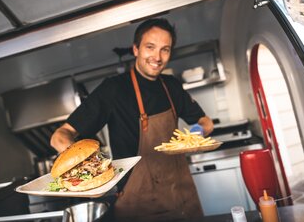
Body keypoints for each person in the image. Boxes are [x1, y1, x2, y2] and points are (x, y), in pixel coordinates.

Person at [50, 18, 214, 221]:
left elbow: (206, 122)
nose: (157, 57)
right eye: (150, 47)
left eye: (165, 49)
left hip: (183, 196)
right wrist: (84, 168)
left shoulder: (171, 85)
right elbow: (60, 136)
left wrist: (197, 133)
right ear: (135, 49)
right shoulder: (114, 89)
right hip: (140, 202)